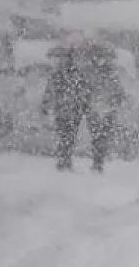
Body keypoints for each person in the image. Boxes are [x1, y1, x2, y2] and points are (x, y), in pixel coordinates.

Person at [42, 37, 125, 172]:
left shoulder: (81, 71)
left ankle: (86, 163)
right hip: (80, 106)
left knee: (86, 135)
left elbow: (115, 90)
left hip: (86, 106)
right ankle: (70, 162)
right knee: (70, 135)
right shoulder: (71, 71)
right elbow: (54, 87)